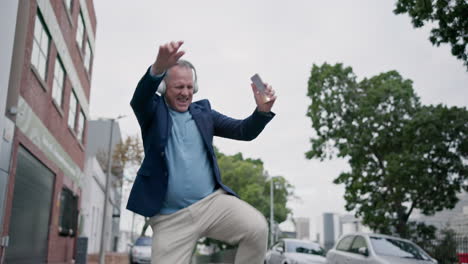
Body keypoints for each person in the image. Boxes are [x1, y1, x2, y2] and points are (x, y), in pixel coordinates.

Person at [127, 40, 277, 264]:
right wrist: (157, 69)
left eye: (189, 87)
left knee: (257, 228)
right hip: (171, 219)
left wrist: (261, 112)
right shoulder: (152, 111)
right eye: (179, 87)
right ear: (163, 88)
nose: (186, 93)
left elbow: (244, 131)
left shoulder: (204, 113)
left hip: (212, 205)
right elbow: (139, 98)